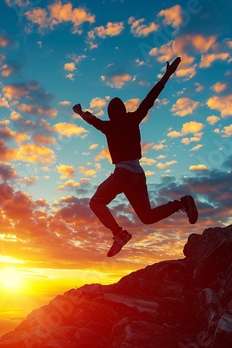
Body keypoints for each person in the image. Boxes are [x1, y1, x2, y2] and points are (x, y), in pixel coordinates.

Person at [72, 57, 198, 257]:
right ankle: (182, 203)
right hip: (138, 176)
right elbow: (150, 99)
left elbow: (92, 120)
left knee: (96, 202)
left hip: (122, 175)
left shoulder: (109, 126)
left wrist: (79, 112)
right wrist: (167, 75)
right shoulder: (133, 119)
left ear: (111, 114)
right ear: (122, 110)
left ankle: (118, 234)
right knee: (146, 217)